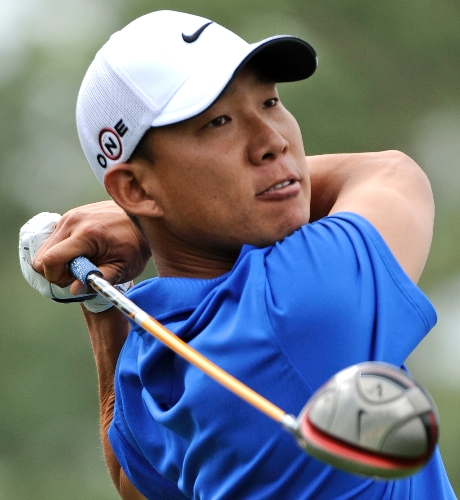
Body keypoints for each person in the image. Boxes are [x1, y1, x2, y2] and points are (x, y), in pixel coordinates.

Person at [19, 10, 456, 500]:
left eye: (270, 102)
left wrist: (106, 293)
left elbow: (133, 475)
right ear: (135, 187)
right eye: (219, 122)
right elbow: (392, 174)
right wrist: (137, 218)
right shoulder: (294, 305)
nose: (274, 141)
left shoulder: (159, 352)